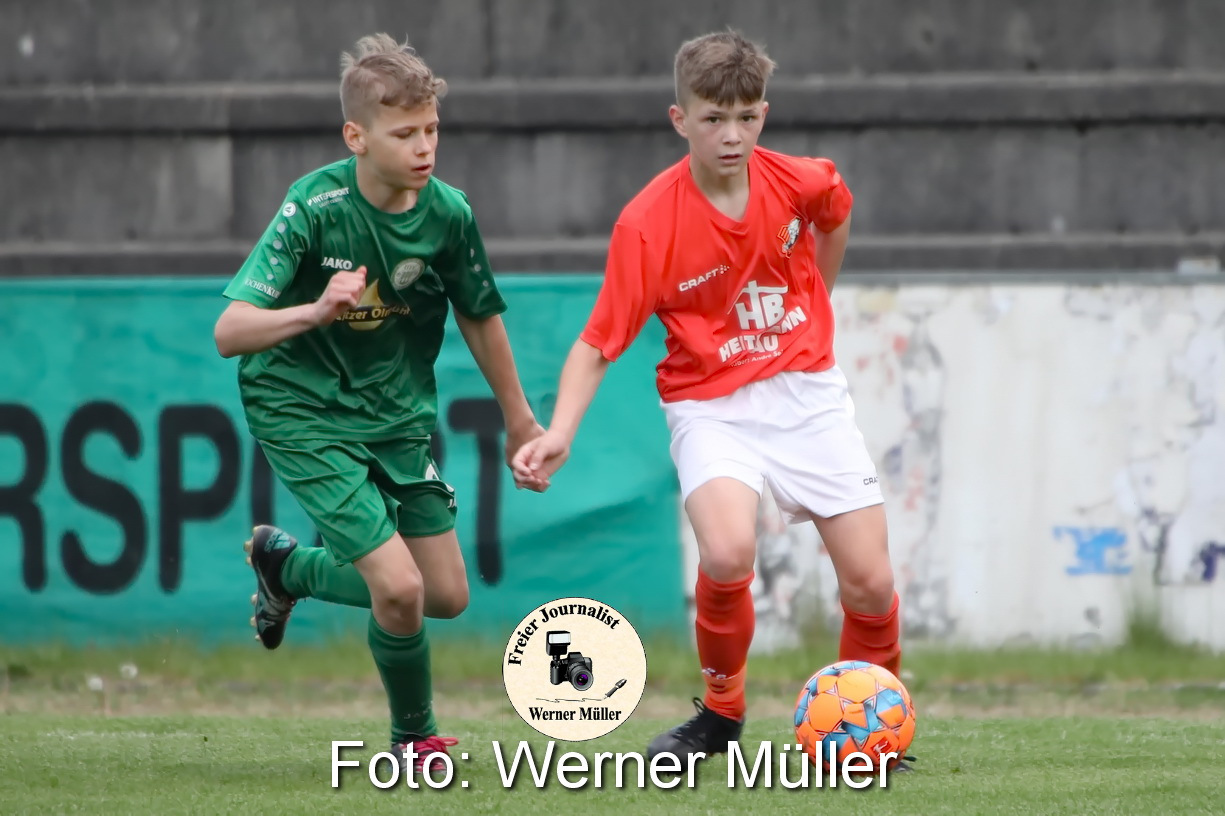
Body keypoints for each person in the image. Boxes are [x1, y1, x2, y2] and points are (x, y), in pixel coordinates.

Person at [513, 30, 902, 762]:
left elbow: (836, 211)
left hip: (806, 392)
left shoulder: (801, 181)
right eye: (713, 118)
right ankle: (721, 714)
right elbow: (598, 342)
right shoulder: (647, 224)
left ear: (763, 114)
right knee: (725, 552)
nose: (732, 135)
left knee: (871, 580)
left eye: (747, 117)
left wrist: (815, 300)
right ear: (680, 119)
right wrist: (559, 431)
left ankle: (867, 728)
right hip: (710, 404)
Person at [214, 33, 544, 774]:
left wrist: (519, 419)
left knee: (445, 595)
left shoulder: (449, 214)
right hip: (300, 409)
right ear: (355, 137)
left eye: (432, 130)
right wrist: (313, 312)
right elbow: (229, 332)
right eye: (405, 134)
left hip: (394, 416)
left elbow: (480, 315)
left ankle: (287, 568)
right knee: (398, 588)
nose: (425, 147)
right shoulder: (313, 205)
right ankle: (413, 740)